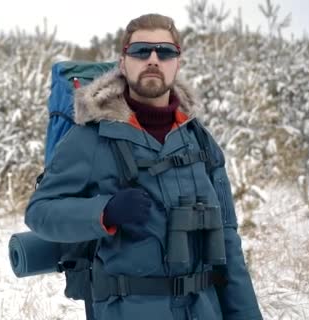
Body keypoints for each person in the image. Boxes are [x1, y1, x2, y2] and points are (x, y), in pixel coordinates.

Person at [24, 13, 262, 320]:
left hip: (204, 310)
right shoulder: (89, 138)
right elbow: (40, 211)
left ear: (178, 63)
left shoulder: (200, 141)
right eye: (140, 51)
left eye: (165, 52)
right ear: (123, 63)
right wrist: (104, 212)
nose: (153, 59)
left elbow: (228, 241)